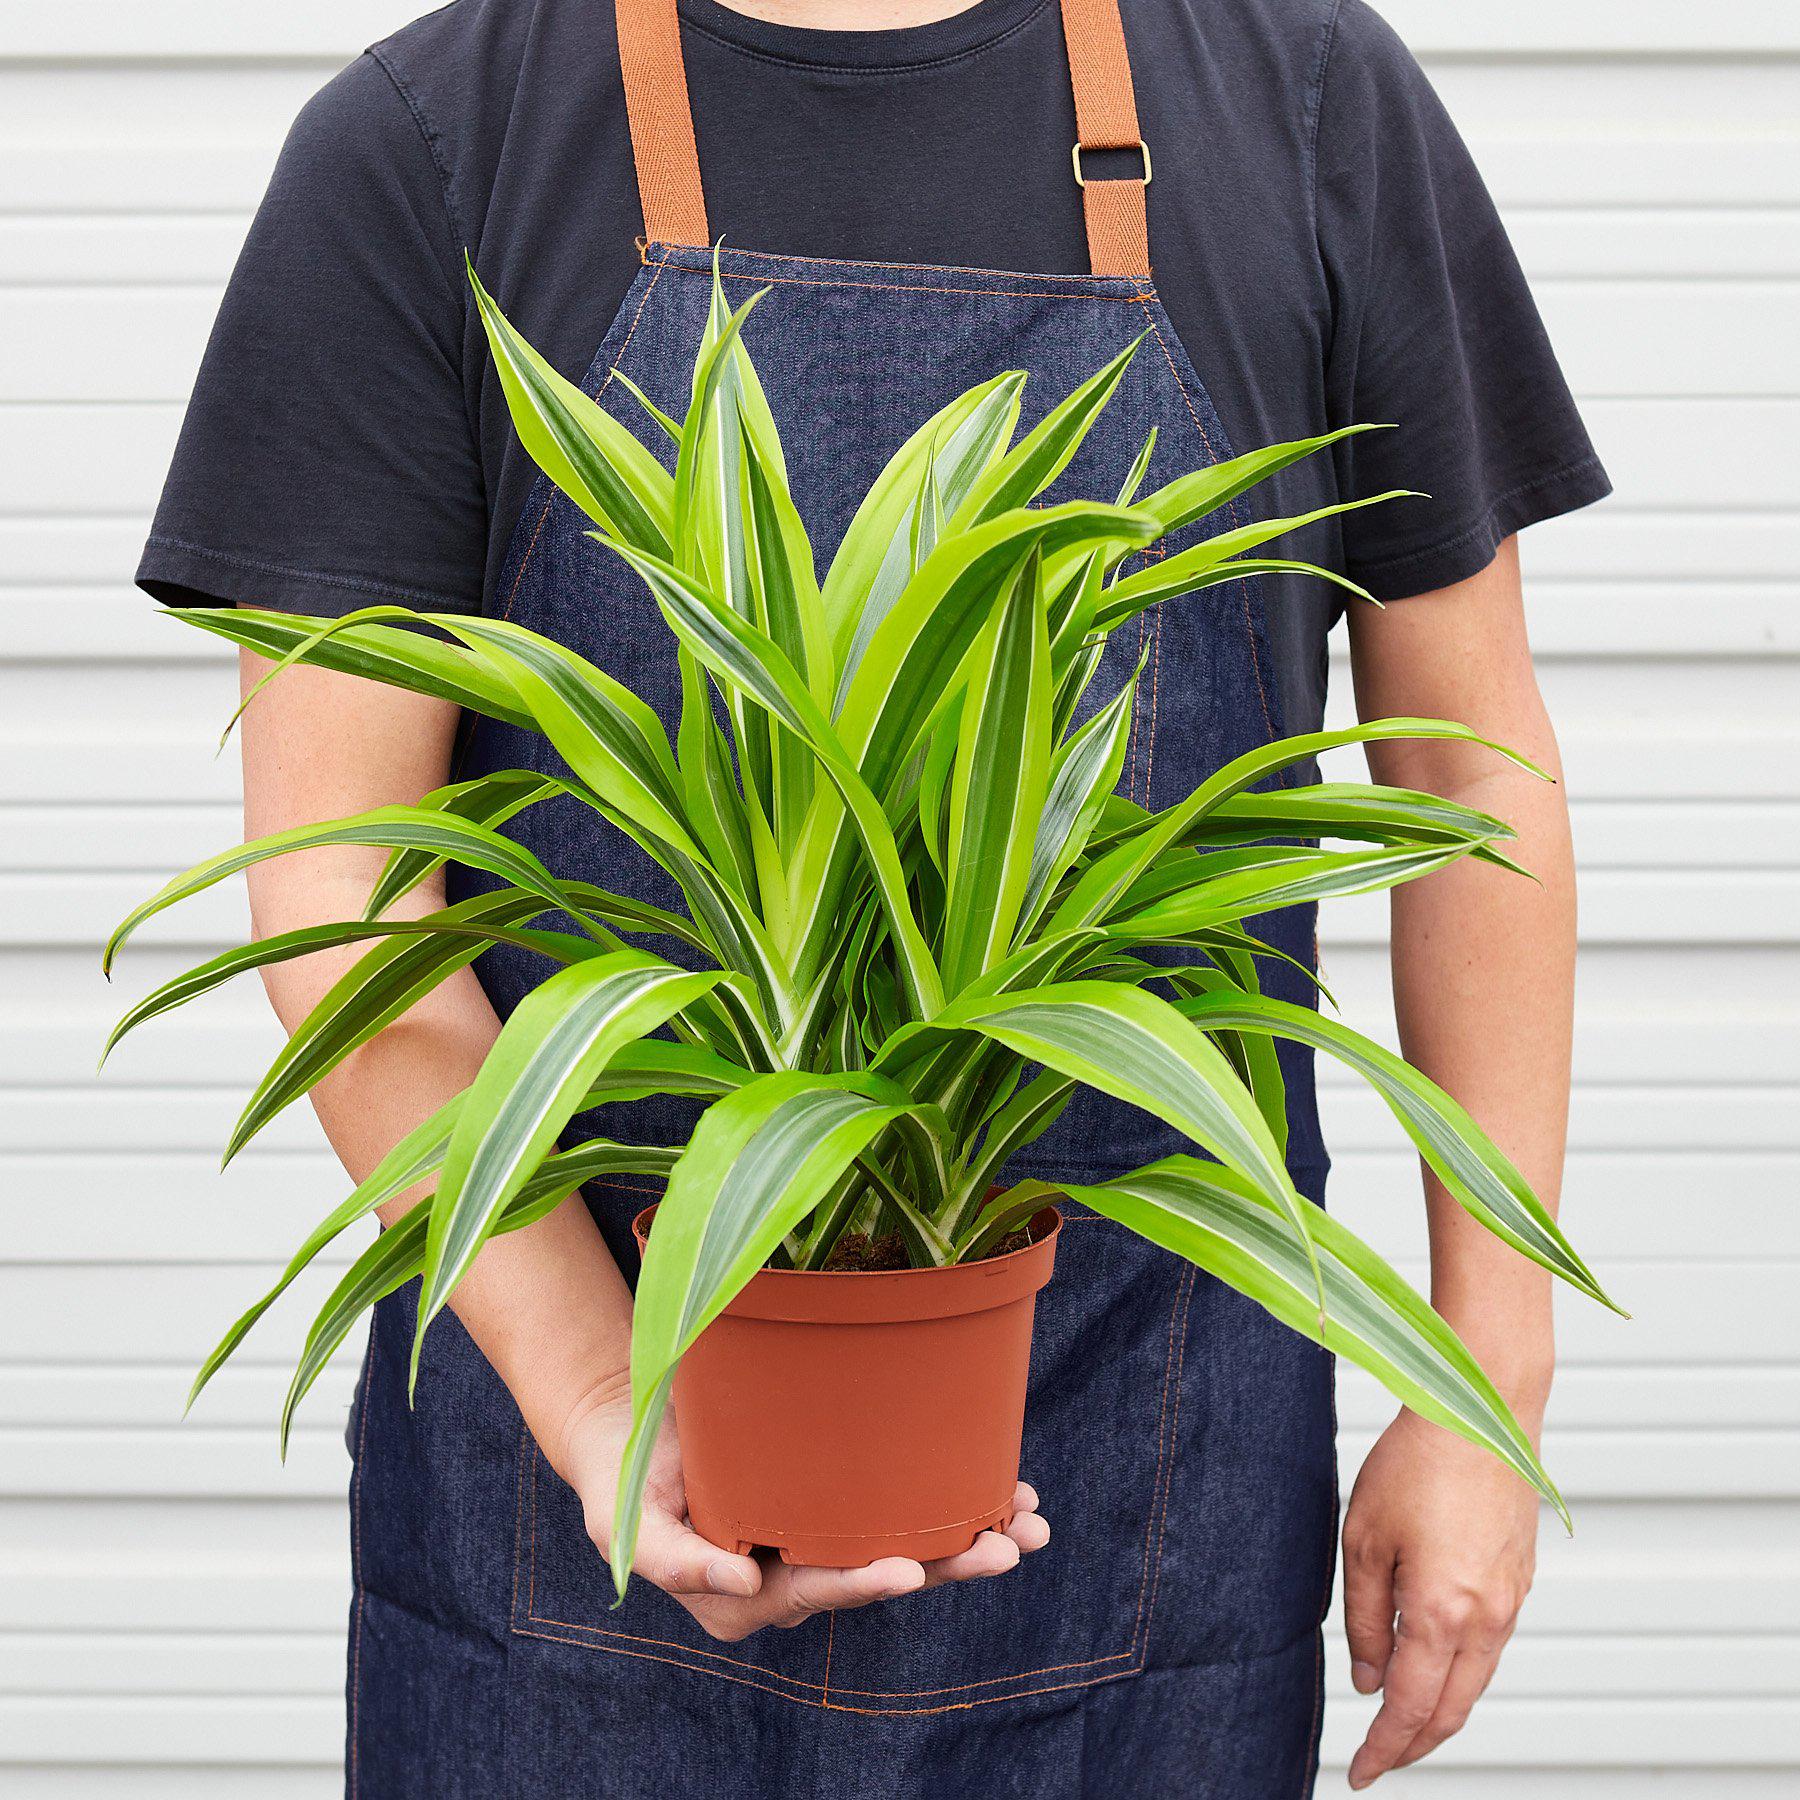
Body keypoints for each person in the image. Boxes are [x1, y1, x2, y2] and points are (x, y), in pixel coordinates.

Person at [138, 1, 1607, 1793]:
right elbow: (347, 885)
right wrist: (599, 1394)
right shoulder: (433, 138)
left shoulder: (1300, 99)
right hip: (580, 1507)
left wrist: (1485, 1391)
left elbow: (1473, 780)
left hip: (1150, 1495)